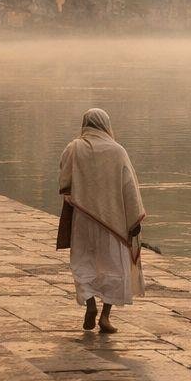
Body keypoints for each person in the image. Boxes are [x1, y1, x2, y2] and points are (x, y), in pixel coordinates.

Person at [59, 108, 146, 333]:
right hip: (113, 222)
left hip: (83, 220)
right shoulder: (118, 151)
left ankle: (90, 305)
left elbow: (65, 184)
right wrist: (134, 220)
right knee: (115, 267)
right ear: (106, 124)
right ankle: (105, 317)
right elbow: (129, 187)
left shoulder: (74, 148)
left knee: (83, 262)